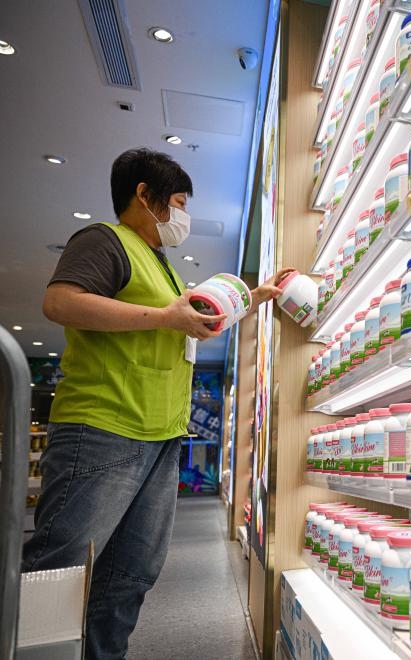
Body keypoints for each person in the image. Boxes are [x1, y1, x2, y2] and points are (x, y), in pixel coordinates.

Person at [21, 147, 293, 659]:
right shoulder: (105, 240)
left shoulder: (160, 264)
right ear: (144, 196)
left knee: (131, 573)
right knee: (62, 568)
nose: (183, 215)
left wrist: (253, 298)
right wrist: (167, 319)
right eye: (178, 201)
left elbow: (187, 318)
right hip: (103, 427)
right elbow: (60, 302)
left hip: (160, 434)